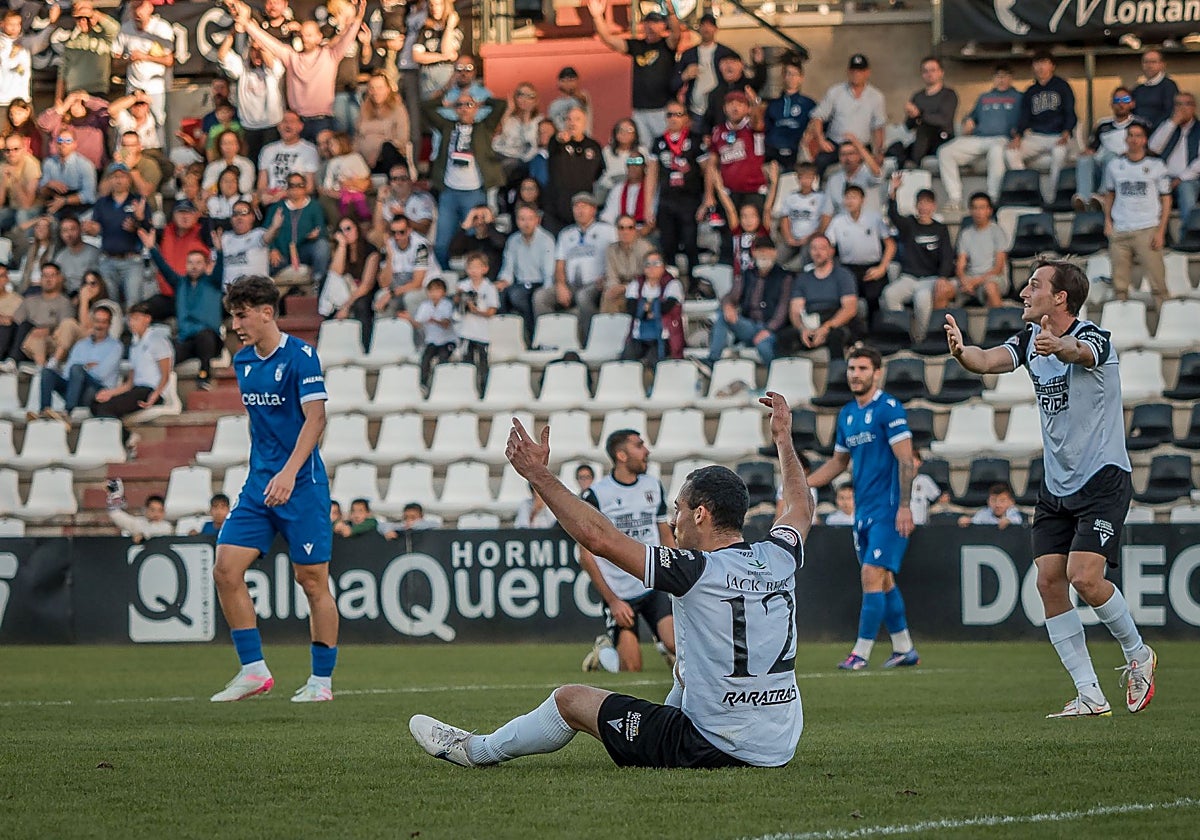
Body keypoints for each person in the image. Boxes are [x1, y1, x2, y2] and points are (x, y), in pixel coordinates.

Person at [409, 391, 811, 769]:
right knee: (683, 670)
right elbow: (800, 505)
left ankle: (474, 750)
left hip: (712, 745)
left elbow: (598, 539)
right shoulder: (779, 555)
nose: (674, 520)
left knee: (569, 700)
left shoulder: (694, 570)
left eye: (679, 510)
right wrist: (783, 439)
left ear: (701, 514)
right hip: (781, 744)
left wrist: (537, 474)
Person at [943, 258, 1156, 717]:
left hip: (1102, 478)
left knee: (1084, 576)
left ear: (1060, 297)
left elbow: (1083, 353)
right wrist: (963, 352)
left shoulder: (1096, 336)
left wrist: (1060, 347)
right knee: (1048, 581)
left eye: (1034, 285)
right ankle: (1089, 693)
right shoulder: (1027, 341)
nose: (1023, 292)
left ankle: (1138, 654)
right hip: (1056, 484)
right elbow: (989, 360)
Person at [211, 274, 338, 704]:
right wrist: (268, 473)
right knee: (226, 568)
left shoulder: (303, 357)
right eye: (232, 316)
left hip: (302, 484)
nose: (236, 325)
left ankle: (321, 683)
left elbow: (316, 420)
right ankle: (254, 670)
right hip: (259, 485)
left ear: (267, 312)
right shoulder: (243, 362)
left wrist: (288, 472)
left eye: (241, 315)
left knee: (312, 581)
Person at [806, 345, 919, 671]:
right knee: (884, 581)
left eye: (862, 369)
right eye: (852, 368)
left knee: (871, 574)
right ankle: (904, 648)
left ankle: (860, 652)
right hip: (863, 511)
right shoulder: (847, 414)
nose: (855, 374)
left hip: (888, 509)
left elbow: (906, 461)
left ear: (877, 373)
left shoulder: (889, 408)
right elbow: (839, 462)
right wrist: (805, 484)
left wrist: (905, 506)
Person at [579, 427, 676, 675]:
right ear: (621, 455)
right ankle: (604, 655)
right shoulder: (597, 495)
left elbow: (664, 534)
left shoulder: (653, 485)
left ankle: (666, 646)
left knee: (679, 646)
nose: (647, 451)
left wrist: (677, 577)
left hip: (654, 584)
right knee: (631, 668)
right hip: (621, 593)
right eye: (639, 445)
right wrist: (613, 601)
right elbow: (586, 555)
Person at [230, 0, 368, 141]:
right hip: (297, 121)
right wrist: (246, 24)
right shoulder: (291, 57)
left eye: (309, 35)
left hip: (322, 121)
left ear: (319, 37)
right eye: (302, 35)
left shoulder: (330, 55)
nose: (305, 39)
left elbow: (348, 36)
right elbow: (267, 41)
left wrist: (358, 18)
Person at [422, 89, 507, 266]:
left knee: (473, 239)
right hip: (449, 193)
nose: (464, 108)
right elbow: (425, 107)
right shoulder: (447, 126)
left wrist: (481, 103)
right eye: (460, 105)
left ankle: (471, 279)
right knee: (442, 242)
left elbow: (501, 105)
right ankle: (444, 280)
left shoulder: (483, 127)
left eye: (468, 105)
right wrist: (448, 104)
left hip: (474, 193)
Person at [585, 0, 681, 149]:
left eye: (655, 22)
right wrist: (597, 16)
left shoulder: (666, 45)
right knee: (643, 150)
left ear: (663, 25)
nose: (650, 26)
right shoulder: (637, 46)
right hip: (640, 110)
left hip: (662, 109)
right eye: (647, 22)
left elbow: (676, 34)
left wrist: (672, 13)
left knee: (667, 149)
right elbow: (608, 39)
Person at [140, 227, 225, 390]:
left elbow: (220, 268)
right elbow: (164, 269)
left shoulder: (213, 282)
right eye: (190, 263)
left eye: (199, 263)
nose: (194, 266)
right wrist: (152, 248)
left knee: (205, 336)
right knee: (166, 352)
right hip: (185, 339)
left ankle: (204, 376)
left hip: (209, 339)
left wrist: (220, 251)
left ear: (207, 266)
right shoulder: (180, 284)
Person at [1101, 121, 1170, 311]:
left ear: (1145, 140)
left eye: (1138, 135)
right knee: (1120, 285)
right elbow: (1109, 195)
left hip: (1147, 229)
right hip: (1120, 229)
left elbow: (1166, 200)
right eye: (1130, 135)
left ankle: (1164, 320)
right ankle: (1120, 324)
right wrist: (1108, 221)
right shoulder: (1115, 165)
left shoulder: (1156, 165)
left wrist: (1161, 231)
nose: (1134, 139)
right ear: (1126, 139)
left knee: (1158, 283)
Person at [937, 63, 1021, 212]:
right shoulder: (984, 97)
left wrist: (1019, 132)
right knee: (945, 151)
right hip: (978, 139)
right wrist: (968, 121)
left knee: (997, 150)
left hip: (1001, 138)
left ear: (1011, 78)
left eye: (1005, 76)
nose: (1001, 80)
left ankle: (993, 198)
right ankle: (955, 198)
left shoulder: (1019, 97)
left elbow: (1026, 119)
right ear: (993, 79)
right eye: (998, 76)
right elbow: (971, 116)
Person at [881, 175, 954, 342]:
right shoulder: (909, 225)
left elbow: (947, 255)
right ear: (916, 205)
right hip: (908, 277)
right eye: (921, 202)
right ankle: (901, 333)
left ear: (934, 206)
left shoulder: (941, 229)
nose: (924, 207)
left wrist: (943, 277)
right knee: (889, 294)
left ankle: (920, 339)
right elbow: (893, 215)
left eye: (928, 203)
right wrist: (893, 191)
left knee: (922, 300)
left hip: (930, 279)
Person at [700, 235, 790, 371]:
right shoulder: (747, 275)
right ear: (754, 253)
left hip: (772, 329)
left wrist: (769, 329)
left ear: (774, 253)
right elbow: (730, 296)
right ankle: (712, 361)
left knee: (763, 345)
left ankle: (778, 379)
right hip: (750, 327)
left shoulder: (784, 277)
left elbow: (783, 310)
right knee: (723, 315)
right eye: (760, 250)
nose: (764, 254)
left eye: (767, 250)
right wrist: (728, 306)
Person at [538, 192, 616, 344]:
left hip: (596, 283)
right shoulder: (566, 234)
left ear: (593, 210)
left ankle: (589, 343)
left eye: (584, 207)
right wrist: (560, 285)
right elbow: (559, 264)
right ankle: (547, 342)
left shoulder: (607, 231)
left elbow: (615, 254)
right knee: (541, 297)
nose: (579, 211)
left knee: (583, 297)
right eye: (576, 207)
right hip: (571, 284)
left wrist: (607, 277)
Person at [90, 302, 173, 446]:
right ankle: (124, 436)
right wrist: (110, 393)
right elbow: (130, 382)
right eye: (130, 319)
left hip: (150, 390)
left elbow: (166, 374)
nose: (131, 323)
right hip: (137, 389)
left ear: (147, 319)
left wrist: (156, 394)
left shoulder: (157, 341)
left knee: (106, 408)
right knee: (96, 404)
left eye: (135, 318)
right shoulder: (134, 346)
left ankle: (128, 438)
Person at [644, 104, 707, 284]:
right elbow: (652, 175)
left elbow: (707, 169)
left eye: (678, 114)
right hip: (666, 201)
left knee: (690, 244)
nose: (673, 118)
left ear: (686, 118)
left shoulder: (695, 140)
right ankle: (670, 285)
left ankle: (695, 286)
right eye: (670, 114)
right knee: (667, 245)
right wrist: (649, 206)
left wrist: (708, 197)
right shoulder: (659, 142)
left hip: (689, 200)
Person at [1006, 51, 1076, 204]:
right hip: (1036, 136)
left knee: (1059, 153)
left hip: (1058, 136)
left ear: (1052, 66)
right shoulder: (1031, 91)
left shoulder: (1062, 86)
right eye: (1037, 63)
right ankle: (1027, 192)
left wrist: (1066, 132)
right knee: (1011, 152)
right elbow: (1024, 117)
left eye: (1044, 62)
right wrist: (1017, 136)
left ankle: (1052, 198)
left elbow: (1070, 112)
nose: (1040, 67)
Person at [823, 183, 894, 325]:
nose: (850, 201)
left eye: (854, 197)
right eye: (847, 198)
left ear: (863, 200)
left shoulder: (874, 218)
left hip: (873, 268)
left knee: (874, 298)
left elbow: (891, 245)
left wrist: (882, 268)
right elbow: (828, 246)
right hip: (848, 269)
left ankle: (877, 333)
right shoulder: (838, 221)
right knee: (846, 299)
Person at [36, 301, 120, 420]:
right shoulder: (81, 345)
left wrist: (82, 369)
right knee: (47, 372)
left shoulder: (116, 346)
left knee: (77, 369)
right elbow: (67, 372)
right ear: (92, 322)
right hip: (74, 388)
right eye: (97, 321)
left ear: (109, 324)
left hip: (96, 391)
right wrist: (84, 369)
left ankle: (67, 412)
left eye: (103, 322)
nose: (99, 325)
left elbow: (102, 374)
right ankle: (44, 411)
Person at [786, 234, 863, 360]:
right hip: (811, 321)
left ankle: (837, 376)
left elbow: (850, 308)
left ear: (831, 251)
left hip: (836, 321)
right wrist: (802, 329)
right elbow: (795, 310)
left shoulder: (843, 275)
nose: (817, 252)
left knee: (836, 336)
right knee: (783, 338)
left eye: (822, 248)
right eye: (814, 248)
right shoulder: (803, 279)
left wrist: (826, 327)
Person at [808, 53, 887, 174]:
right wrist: (821, 141)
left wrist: (879, 152)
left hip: (862, 146)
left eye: (860, 71)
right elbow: (818, 117)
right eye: (853, 71)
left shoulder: (876, 96)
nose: (856, 74)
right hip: (836, 145)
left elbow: (878, 127)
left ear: (867, 72)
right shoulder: (835, 91)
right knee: (819, 163)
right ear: (848, 72)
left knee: (874, 170)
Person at [1074, 87, 1147, 212]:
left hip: (1126, 167)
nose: (1120, 103)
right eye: (1117, 100)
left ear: (1132, 103)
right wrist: (1087, 153)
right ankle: (1084, 199)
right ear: (1111, 104)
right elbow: (1093, 148)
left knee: (1111, 157)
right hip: (1101, 166)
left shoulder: (1139, 124)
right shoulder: (1103, 124)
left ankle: (1103, 196)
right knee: (1085, 159)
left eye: (1125, 99)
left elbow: (1146, 148)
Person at [218, 36, 286, 165]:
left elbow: (271, 65)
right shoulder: (242, 67)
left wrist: (261, 45)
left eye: (260, 50)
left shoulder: (275, 66)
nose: (257, 53)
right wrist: (233, 32)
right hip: (249, 127)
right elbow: (222, 56)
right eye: (253, 50)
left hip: (271, 126)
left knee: (271, 164)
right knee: (251, 164)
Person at [497, 203, 555, 346]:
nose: (526, 223)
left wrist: (547, 289)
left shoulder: (546, 240)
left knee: (520, 296)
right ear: (517, 221)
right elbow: (508, 268)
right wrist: (503, 281)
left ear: (537, 220)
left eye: (530, 219)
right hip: (520, 284)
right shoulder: (513, 240)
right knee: (500, 293)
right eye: (522, 219)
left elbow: (549, 271)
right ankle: (506, 340)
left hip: (539, 283)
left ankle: (533, 336)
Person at [543, 107, 605, 234]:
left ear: (585, 122)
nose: (572, 123)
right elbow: (557, 141)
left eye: (577, 119)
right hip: (557, 210)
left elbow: (599, 173)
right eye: (569, 119)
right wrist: (561, 139)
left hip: (582, 211)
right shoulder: (555, 142)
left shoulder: (594, 146)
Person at [113, 0, 174, 125]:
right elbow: (115, 62)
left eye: (140, 8)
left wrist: (144, 57)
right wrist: (129, 59)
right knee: (132, 124)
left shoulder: (161, 27)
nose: (137, 12)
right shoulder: (125, 28)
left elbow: (169, 60)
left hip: (157, 88)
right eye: (133, 8)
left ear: (150, 8)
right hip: (134, 88)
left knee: (158, 123)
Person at [890, 56, 957, 169]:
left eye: (933, 70)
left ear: (941, 72)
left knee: (924, 128)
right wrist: (911, 115)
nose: (929, 74)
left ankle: (914, 164)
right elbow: (908, 126)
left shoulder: (949, 94)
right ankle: (905, 169)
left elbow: (943, 120)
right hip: (921, 143)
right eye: (925, 71)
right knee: (896, 147)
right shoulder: (918, 96)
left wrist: (919, 115)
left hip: (942, 139)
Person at [620, 250, 683, 368]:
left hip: (664, 336)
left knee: (655, 360)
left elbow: (666, 308)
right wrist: (652, 308)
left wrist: (646, 307)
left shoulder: (673, 284)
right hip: (638, 336)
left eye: (656, 263)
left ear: (664, 266)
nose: (651, 267)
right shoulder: (636, 284)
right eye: (647, 264)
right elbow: (632, 309)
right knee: (626, 360)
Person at [671, 12, 737, 124]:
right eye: (703, 25)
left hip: (720, 111)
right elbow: (673, 84)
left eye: (710, 25)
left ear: (716, 29)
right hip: (694, 111)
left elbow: (739, 78)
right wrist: (685, 75)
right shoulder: (689, 54)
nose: (706, 28)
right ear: (699, 28)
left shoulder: (726, 53)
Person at [947, 192, 1009, 310]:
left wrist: (975, 282)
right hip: (969, 278)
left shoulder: (997, 232)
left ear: (989, 210)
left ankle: (999, 325)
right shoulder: (965, 234)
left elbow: (998, 267)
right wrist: (964, 280)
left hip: (993, 278)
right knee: (942, 288)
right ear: (970, 211)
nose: (978, 212)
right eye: (975, 208)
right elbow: (960, 266)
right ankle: (941, 326)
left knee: (990, 288)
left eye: (982, 208)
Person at [1147, 92, 1200, 222]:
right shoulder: (1167, 125)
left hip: (1189, 179)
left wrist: (1180, 178)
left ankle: (1187, 238)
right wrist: (1172, 123)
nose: (1182, 108)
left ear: (1194, 108)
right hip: (1163, 177)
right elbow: (1153, 148)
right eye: (1178, 104)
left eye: (1187, 104)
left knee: (1186, 190)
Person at [455, 252, 498, 395]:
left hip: (482, 333)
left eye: (477, 267)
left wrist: (477, 311)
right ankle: (466, 391)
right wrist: (460, 298)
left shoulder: (489, 287)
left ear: (485, 269)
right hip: (466, 332)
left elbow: (492, 311)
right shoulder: (463, 285)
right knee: (467, 363)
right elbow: (457, 307)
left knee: (483, 364)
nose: (473, 271)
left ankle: (484, 391)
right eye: (470, 267)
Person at [56, 1, 118, 101]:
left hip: (97, 92)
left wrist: (95, 14)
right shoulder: (70, 41)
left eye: (86, 18)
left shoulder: (103, 38)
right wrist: (58, 99)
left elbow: (115, 30)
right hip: (73, 94)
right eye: (79, 18)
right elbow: (62, 73)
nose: (83, 21)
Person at [257, 112, 321, 205]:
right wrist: (263, 195)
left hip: (297, 200)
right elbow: (261, 184)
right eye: (284, 121)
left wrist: (286, 194)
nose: (287, 125)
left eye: (292, 121)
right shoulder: (268, 150)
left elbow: (310, 187)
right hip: (271, 199)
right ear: (278, 126)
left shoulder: (309, 150)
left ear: (300, 126)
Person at [774, 161, 828, 271]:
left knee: (803, 263)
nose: (806, 180)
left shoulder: (821, 198)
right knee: (777, 259)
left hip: (811, 239)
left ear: (814, 178)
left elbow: (823, 222)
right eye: (803, 177)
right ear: (798, 178)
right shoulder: (791, 197)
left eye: (809, 177)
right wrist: (789, 238)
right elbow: (785, 218)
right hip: (792, 238)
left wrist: (808, 238)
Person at [764, 60, 816, 169]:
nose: (791, 77)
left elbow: (817, 125)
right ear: (783, 77)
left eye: (795, 74)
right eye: (788, 73)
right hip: (773, 151)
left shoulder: (808, 104)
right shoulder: (773, 104)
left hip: (796, 152)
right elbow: (766, 128)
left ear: (801, 78)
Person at [356, 72, 410, 174]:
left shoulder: (398, 109)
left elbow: (402, 139)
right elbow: (357, 137)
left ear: (388, 89)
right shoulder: (364, 110)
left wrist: (378, 154)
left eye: (380, 88)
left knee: (387, 148)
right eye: (372, 88)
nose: (375, 92)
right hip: (364, 161)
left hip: (386, 159)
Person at [410, 276, 455, 389]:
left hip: (447, 341)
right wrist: (408, 319)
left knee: (443, 358)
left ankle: (442, 385)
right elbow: (418, 323)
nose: (434, 293)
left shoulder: (447, 304)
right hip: (432, 341)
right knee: (425, 359)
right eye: (431, 290)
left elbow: (446, 324)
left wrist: (434, 321)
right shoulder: (425, 306)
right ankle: (423, 385)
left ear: (444, 292)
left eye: (437, 290)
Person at [0, 130, 41, 232]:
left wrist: (14, 178)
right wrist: (3, 181)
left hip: (33, 209)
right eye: (7, 150)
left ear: (23, 149)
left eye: (16, 149)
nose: (11, 153)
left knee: (21, 215)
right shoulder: (3, 166)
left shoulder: (31, 165)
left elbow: (26, 204)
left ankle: (28, 245)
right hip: (13, 208)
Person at [51, 216, 99, 295]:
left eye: (72, 229)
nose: (68, 234)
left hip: (90, 294)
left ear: (80, 230)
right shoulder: (60, 257)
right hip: (68, 296)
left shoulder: (94, 253)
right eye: (64, 231)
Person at [1131, 49, 1178, 130]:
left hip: (1161, 133)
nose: (1149, 65)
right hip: (1139, 134)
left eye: (1153, 62)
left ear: (1162, 64)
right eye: (1146, 62)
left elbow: (1170, 113)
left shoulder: (1169, 86)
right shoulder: (1138, 90)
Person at [108, 492, 173, 543]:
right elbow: (118, 516)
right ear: (146, 510)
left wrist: (143, 536)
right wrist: (116, 497)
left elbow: (157, 531)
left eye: (160, 511)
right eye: (152, 510)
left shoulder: (167, 526)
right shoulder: (138, 523)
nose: (156, 514)